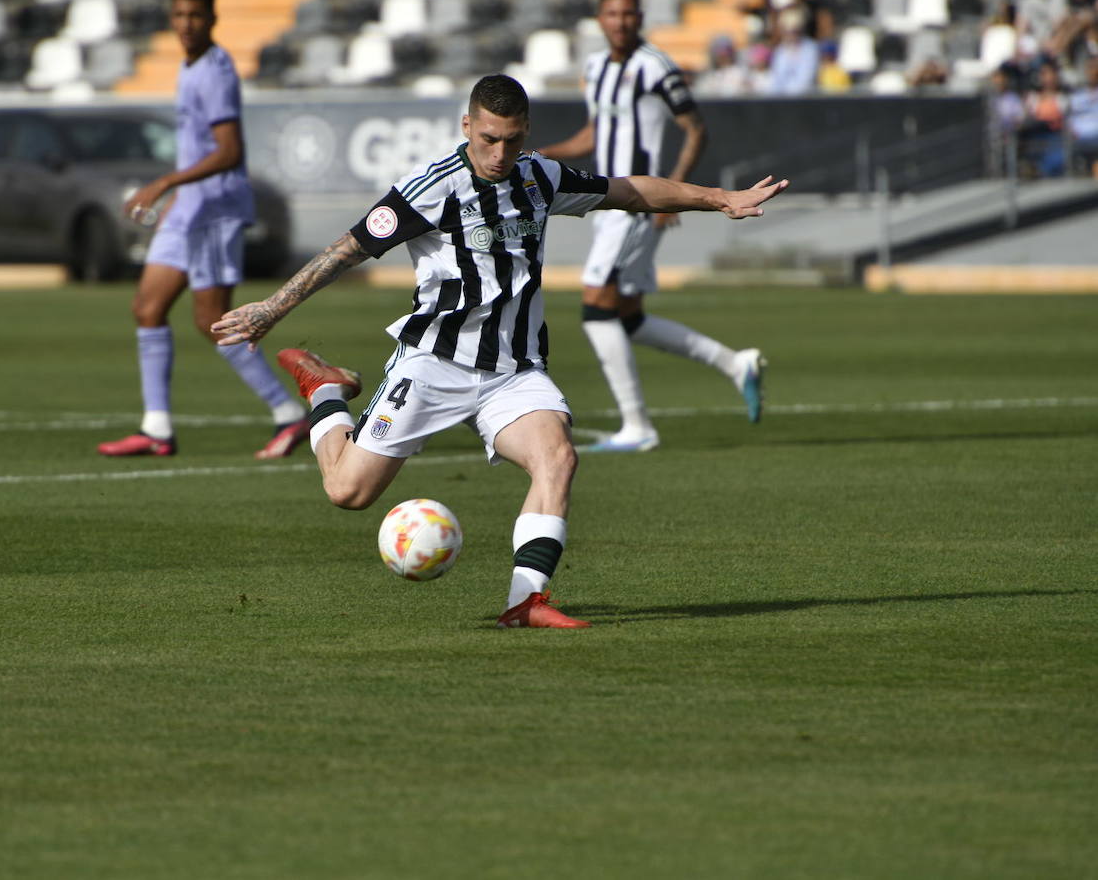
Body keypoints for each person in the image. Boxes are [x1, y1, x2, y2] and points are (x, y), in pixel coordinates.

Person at [211, 75, 787, 628]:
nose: (499, 153)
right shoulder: (430, 187)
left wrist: (718, 198)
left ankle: (525, 602)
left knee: (557, 457)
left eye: (512, 140)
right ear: (468, 126)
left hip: (513, 371)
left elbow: (628, 190)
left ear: (526, 133)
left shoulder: (539, 179)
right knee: (347, 492)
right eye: (488, 139)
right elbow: (349, 248)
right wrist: (271, 309)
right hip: (434, 363)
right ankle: (327, 389)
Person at [536, 0, 768, 453]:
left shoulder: (656, 66)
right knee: (627, 316)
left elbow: (694, 129)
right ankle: (735, 363)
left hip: (638, 203)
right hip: (609, 200)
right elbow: (594, 135)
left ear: (640, 18)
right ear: (600, 20)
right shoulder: (597, 67)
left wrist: (675, 195)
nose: (620, 22)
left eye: (628, 14)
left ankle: (637, 426)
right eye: (611, 14)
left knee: (595, 306)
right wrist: (538, 157)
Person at [97, 0, 306, 460]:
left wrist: (166, 182)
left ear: (213, 18)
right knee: (147, 308)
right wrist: (175, 197)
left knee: (212, 321)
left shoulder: (214, 70)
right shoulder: (189, 67)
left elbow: (229, 153)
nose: (187, 24)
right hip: (189, 209)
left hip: (214, 210)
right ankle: (156, 429)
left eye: (196, 15)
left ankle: (288, 414)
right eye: (179, 15)